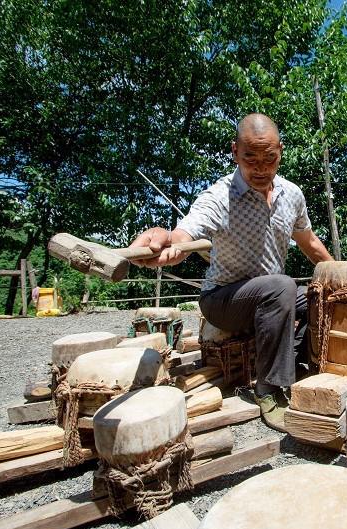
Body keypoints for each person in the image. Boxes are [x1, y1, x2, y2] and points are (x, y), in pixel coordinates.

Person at [130, 113, 333, 431]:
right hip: (222, 300)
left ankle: (306, 360)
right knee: (281, 286)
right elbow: (185, 231)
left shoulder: (291, 195)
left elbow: (310, 244)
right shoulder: (219, 196)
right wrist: (169, 240)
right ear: (234, 152)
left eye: (270, 157)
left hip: (269, 295)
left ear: (280, 150)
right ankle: (267, 389)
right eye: (250, 157)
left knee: (323, 297)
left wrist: (342, 275)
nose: (261, 167)